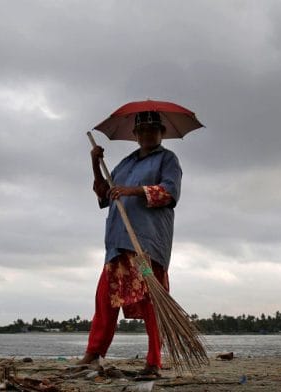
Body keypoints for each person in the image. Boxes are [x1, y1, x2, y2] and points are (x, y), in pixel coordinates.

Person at [78, 111, 182, 376]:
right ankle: (94, 353)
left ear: (162, 133)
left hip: (146, 245)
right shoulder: (125, 164)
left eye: (153, 130)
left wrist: (132, 191)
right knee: (105, 299)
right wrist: (95, 163)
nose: (147, 134)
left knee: (151, 302)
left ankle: (154, 362)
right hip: (117, 242)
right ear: (135, 135)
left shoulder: (167, 160)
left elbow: (169, 193)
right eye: (142, 130)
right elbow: (104, 196)